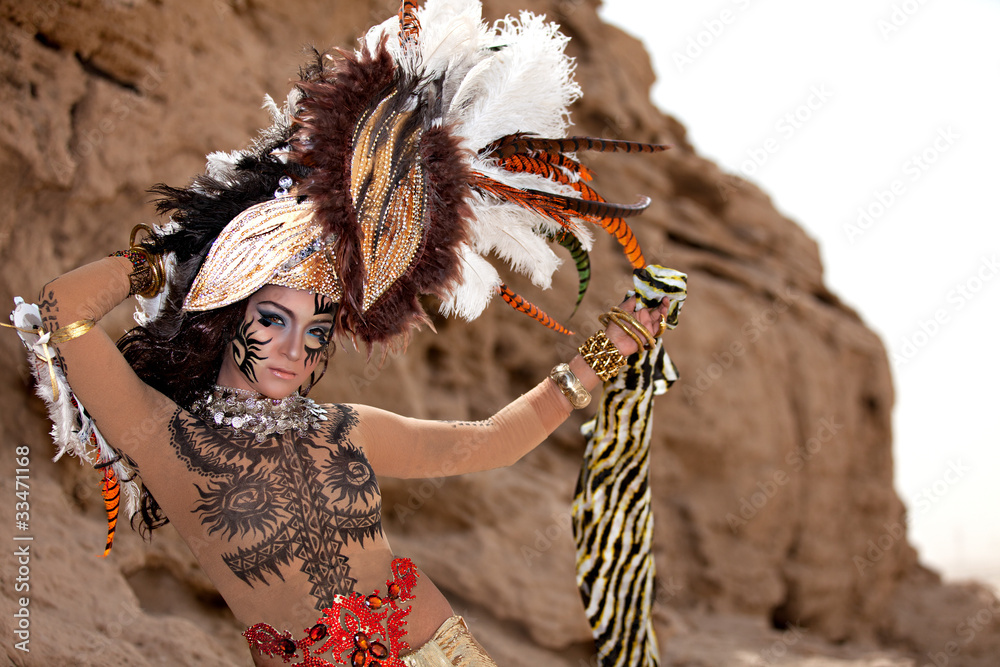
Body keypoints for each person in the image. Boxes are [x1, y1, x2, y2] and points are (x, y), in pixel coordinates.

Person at [9, 1, 676, 664]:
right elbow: (63, 307)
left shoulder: (340, 428)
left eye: (317, 330)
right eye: (272, 319)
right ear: (230, 316)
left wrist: (604, 354)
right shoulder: (166, 438)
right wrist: (173, 254)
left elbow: (490, 443)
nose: (296, 346)